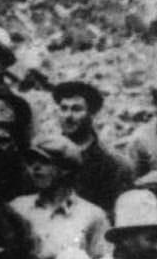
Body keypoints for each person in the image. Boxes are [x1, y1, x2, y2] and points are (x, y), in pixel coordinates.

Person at [52, 78, 135, 216]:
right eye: (63, 108)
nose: (68, 116)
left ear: (92, 114)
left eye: (76, 109)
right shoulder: (47, 156)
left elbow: (117, 213)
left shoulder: (113, 164)